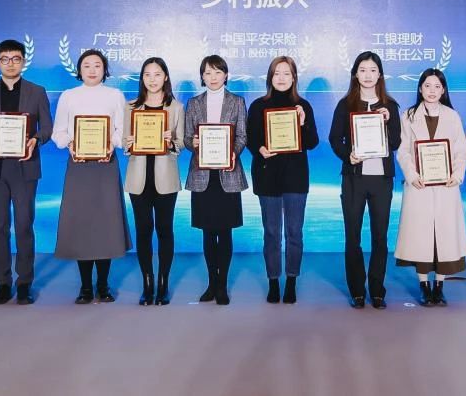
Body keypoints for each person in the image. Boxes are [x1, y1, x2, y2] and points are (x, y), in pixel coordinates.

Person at [0, 39, 52, 305]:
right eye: (5, 59)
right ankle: (2, 283)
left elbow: (47, 128)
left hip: (25, 167)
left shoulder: (37, 92)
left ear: (23, 62)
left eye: (16, 59)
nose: (10, 64)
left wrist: (35, 140)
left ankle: (25, 282)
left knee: (24, 225)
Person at [51, 49, 131, 304]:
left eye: (97, 65)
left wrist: (111, 144)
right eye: (87, 65)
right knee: (82, 224)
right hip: (79, 166)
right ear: (79, 70)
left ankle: (104, 285)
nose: (92, 70)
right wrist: (70, 143)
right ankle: (86, 287)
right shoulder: (69, 96)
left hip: (106, 166)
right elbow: (58, 132)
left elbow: (122, 130)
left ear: (104, 69)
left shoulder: (115, 95)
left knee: (105, 223)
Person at [328, 50, 401, 309]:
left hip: (381, 179)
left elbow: (396, 142)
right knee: (353, 237)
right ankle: (357, 290)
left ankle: (377, 290)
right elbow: (334, 139)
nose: (368, 75)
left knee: (380, 237)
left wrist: (389, 121)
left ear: (380, 74)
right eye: (362, 70)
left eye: (372, 70)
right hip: (354, 179)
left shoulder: (390, 106)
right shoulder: (345, 104)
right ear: (355, 74)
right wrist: (348, 156)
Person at [245, 56, 320, 304]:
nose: (281, 78)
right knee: (271, 232)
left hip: (296, 177)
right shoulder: (258, 106)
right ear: (270, 77)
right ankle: (273, 281)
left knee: (294, 232)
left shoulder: (303, 106)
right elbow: (250, 138)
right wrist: (260, 149)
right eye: (277, 73)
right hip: (267, 176)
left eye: (287, 73)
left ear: (294, 77)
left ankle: (291, 281)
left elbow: (312, 142)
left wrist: (303, 123)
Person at [394, 68, 466, 307]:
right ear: (420, 88)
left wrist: (457, 175)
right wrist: (411, 175)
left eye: (437, 86)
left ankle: (439, 286)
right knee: (420, 238)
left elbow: (461, 150)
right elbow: (403, 150)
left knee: (444, 238)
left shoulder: (452, 116)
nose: (432, 91)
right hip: (419, 185)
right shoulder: (408, 116)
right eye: (427, 86)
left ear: (443, 90)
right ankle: (424, 286)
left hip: (446, 186)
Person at [183, 54, 248, 305]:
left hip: (227, 173)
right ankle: (211, 283)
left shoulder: (237, 102)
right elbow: (187, 137)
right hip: (202, 174)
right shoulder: (193, 103)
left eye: (218, 72)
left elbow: (242, 136)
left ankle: (222, 285)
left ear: (226, 75)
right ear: (202, 76)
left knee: (225, 231)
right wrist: (193, 142)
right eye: (208, 72)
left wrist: (233, 152)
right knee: (208, 232)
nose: (213, 77)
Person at [122, 56, 184, 306]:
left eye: (157, 74)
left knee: (165, 230)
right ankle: (147, 284)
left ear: (165, 77)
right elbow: (125, 142)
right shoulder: (131, 106)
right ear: (142, 78)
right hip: (138, 178)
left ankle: (163, 283)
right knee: (143, 230)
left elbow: (181, 143)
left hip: (165, 178)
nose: (152, 79)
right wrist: (128, 144)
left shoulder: (176, 107)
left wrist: (170, 142)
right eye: (147, 74)